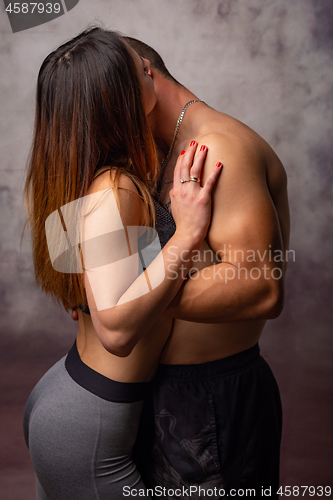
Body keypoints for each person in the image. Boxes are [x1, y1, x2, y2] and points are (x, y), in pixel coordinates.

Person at [22, 27, 222, 500]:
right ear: (119, 100)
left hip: (73, 398)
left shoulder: (90, 176)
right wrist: (189, 234)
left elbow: (86, 278)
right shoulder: (116, 187)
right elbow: (114, 331)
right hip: (87, 425)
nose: (148, 66)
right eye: (137, 67)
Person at [120, 38, 289, 498]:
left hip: (209, 400)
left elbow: (260, 286)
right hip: (162, 391)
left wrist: (124, 301)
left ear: (144, 70)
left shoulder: (217, 148)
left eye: (111, 89)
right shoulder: (158, 150)